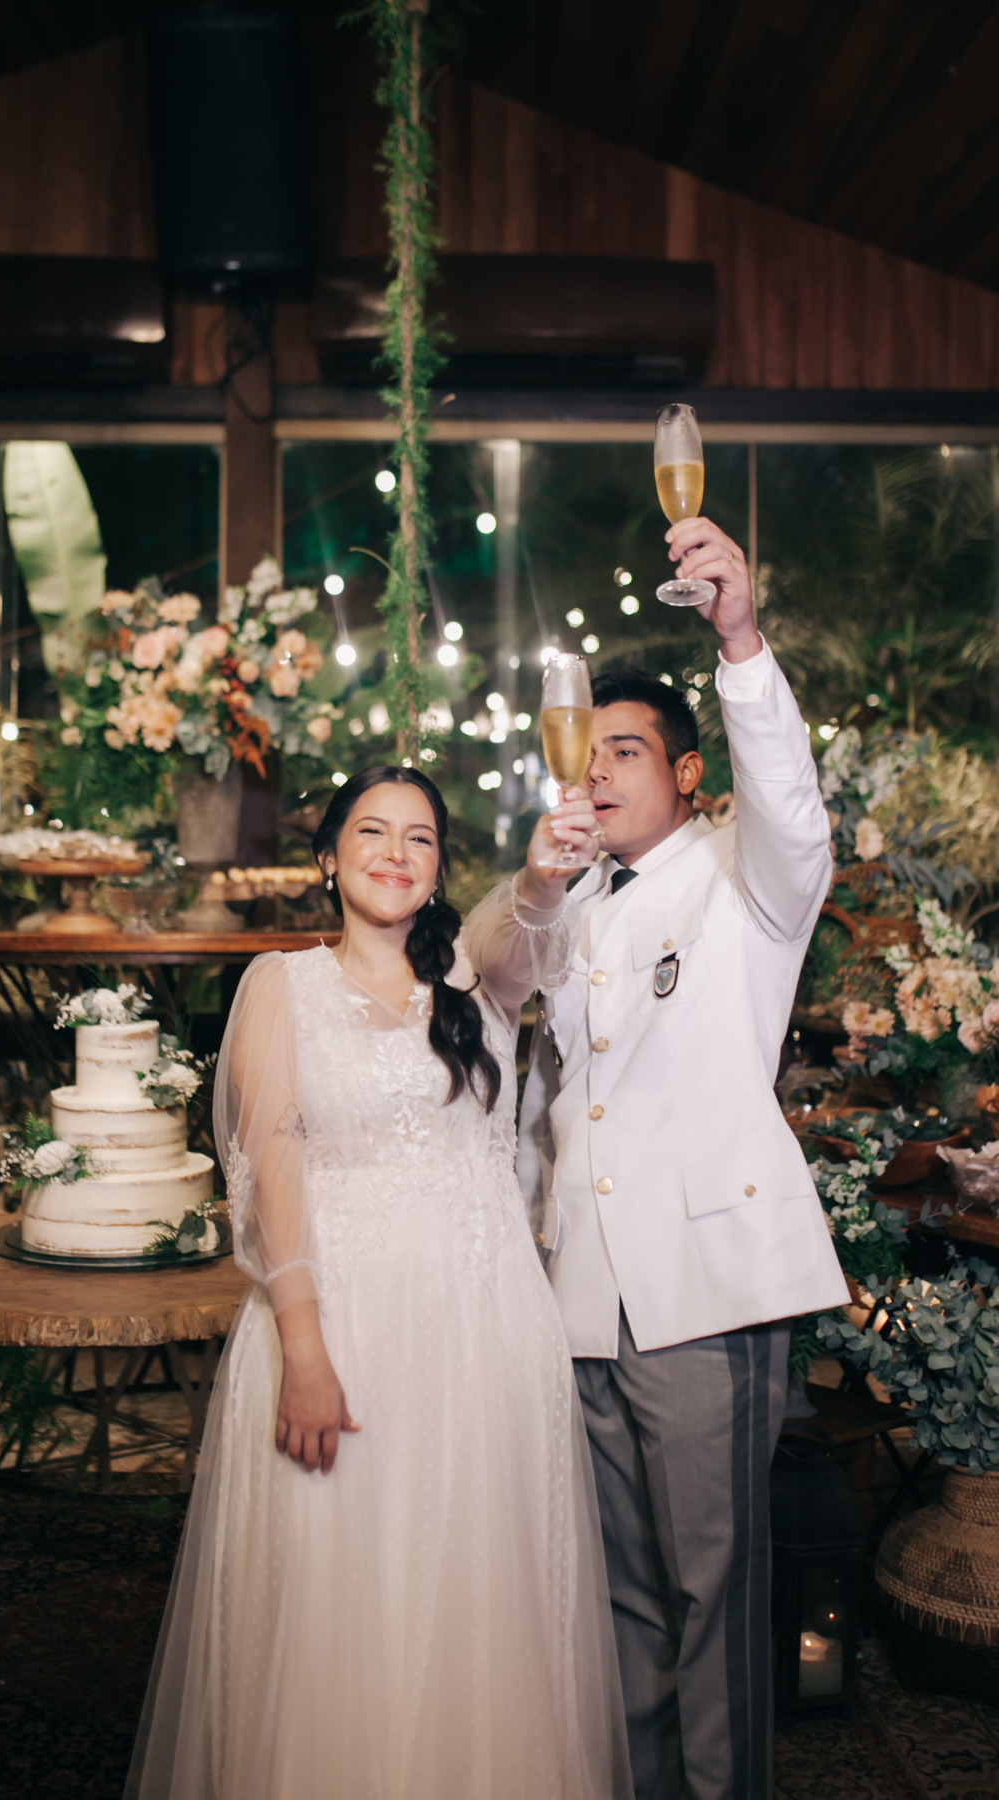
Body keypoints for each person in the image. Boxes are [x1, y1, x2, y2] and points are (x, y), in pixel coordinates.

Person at [125, 766, 633, 1800]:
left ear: (440, 869)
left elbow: (528, 928)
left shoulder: (477, 983)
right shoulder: (282, 986)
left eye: (420, 839)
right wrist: (304, 1352)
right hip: (344, 1331)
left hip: (484, 1335)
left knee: (479, 1594)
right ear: (328, 856)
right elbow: (271, 1171)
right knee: (343, 1596)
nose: (396, 854)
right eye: (371, 832)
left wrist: (543, 875)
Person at [468, 515, 850, 1800]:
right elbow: (491, 993)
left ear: (690, 773)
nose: (600, 773)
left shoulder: (748, 881)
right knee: (624, 1594)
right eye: (587, 756)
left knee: (712, 1590)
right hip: (586, 1294)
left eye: (626, 752)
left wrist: (739, 639)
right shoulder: (569, 901)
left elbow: (791, 808)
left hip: (703, 1289)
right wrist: (539, 879)